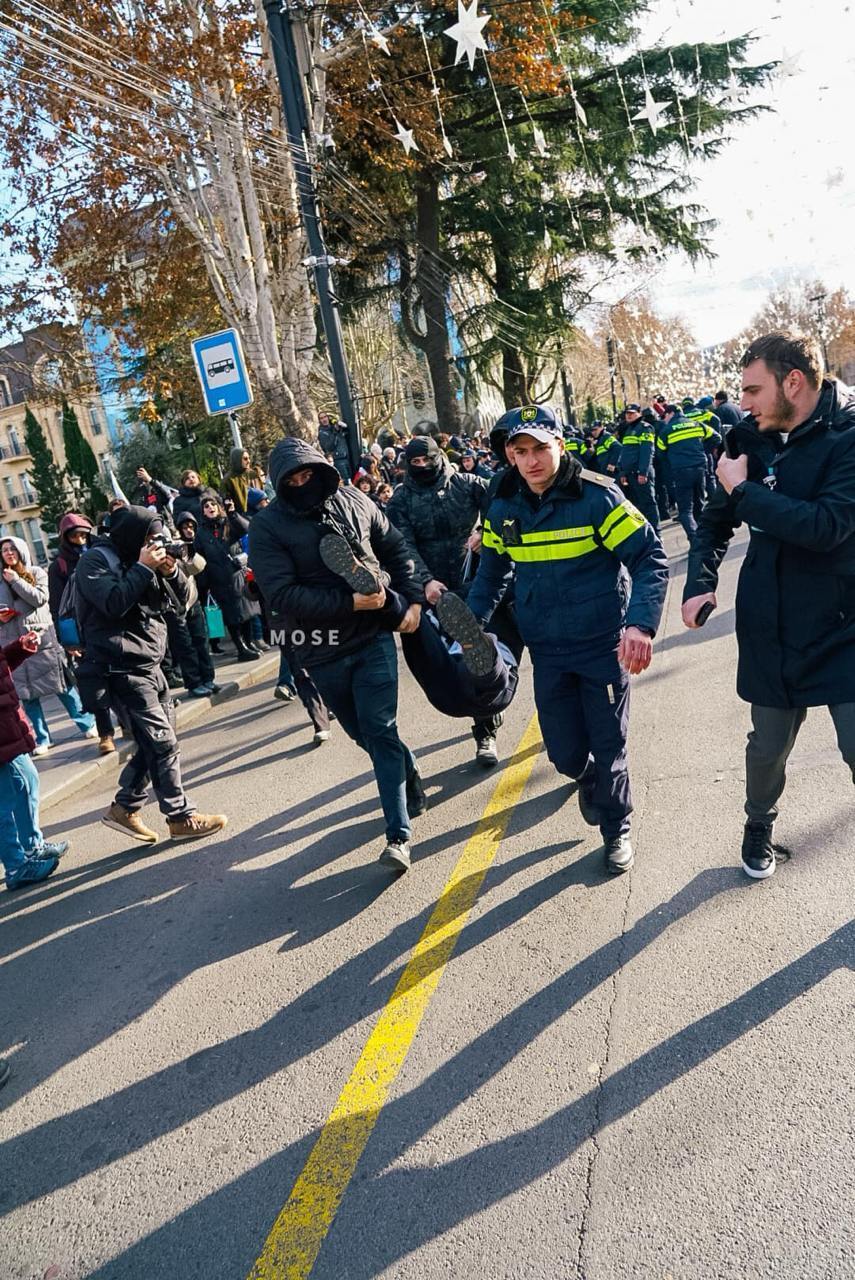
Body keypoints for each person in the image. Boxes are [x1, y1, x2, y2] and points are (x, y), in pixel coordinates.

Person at [682, 331, 855, 879]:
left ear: (794, 382)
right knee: (768, 747)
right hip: (770, 624)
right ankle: (758, 827)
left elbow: (827, 527)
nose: (744, 402)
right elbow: (712, 522)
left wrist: (744, 493)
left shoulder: (849, 436)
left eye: (754, 389)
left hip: (844, 624)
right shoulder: (747, 438)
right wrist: (699, 582)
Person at [467, 405, 669, 873]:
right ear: (510, 456)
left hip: (602, 646)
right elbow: (493, 569)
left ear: (560, 444)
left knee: (609, 743)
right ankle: (588, 778)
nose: (532, 459)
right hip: (548, 650)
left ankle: (616, 828)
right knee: (564, 753)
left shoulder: (598, 497)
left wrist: (639, 626)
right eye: (521, 451)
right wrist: (471, 622)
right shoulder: (504, 507)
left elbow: (648, 557)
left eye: (541, 447)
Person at [249, 438, 424, 872]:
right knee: (362, 733)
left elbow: (396, 548)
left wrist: (413, 599)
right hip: (321, 648)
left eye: (308, 474)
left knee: (380, 727)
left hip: (372, 637)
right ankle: (409, 774)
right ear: (279, 484)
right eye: (291, 479)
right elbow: (281, 594)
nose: (301, 483)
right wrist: (349, 603)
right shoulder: (267, 527)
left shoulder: (354, 499)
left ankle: (398, 836)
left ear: (320, 469)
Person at [75, 505, 227, 844]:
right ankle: (180, 816)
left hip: (151, 664)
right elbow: (113, 603)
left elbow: (185, 602)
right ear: (132, 536)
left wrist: (172, 570)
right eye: (148, 538)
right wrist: (144, 567)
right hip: (119, 669)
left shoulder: (149, 561)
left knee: (157, 743)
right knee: (162, 742)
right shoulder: (96, 561)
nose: (154, 545)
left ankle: (125, 806)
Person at [387, 435, 501, 766]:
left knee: (484, 655)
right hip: (435, 593)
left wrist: (486, 534)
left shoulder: (468, 485)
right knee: (456, 665)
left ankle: (489, 723)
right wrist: (425, 581)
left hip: (478, 584)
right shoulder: (401, 500)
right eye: (415, 463)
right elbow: (401, 546)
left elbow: (504, 506)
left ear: (439, 457)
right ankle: (480, 721)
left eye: (426, 460)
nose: (421, 467)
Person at [0, 537, 97, 755]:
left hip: (40, 641)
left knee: (61, 686)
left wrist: (16, 581)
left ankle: (87, 723)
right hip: (13, 645)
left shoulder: (36, 573)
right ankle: (43, 738)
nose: (8, 553)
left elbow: (40, 599)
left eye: (12, 549)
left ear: (21, 551)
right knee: (27, 695)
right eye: (4, 550)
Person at [1, 630, 70, 890]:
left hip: (6, 722)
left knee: (27, 781)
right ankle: (17, 866)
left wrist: (18, 649)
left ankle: (32, 848)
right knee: (5, 802)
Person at [48, 512, 116, 754]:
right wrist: (68, 639)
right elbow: (57, 606)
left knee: (122, 675)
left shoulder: (102, 552)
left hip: (110, 621)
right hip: (83, 630)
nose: (80, 538)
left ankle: (129, 723)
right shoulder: (59, 566)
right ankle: (105, 732)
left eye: (83, 534)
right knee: (93, 683)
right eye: (74, 535)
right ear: (65, 537)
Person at [196, 495, 259, 662]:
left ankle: (248, 643)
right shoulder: (201, 532)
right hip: (218, 580)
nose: (210, 507)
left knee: (245, 613)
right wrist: (205, 584)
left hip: (236, 575)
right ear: (203, 511)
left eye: (213, 504)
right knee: (231, 616)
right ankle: (240, 648)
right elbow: (200, 557)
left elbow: (246, 529)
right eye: (206, 506)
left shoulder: (228, 523)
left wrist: (232, 514)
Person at [656, 402, 721, 543]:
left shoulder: (666, 431)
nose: (664, 419)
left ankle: (695, 539)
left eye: (664, 416)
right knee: (700, 504)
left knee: (685, 510)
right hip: (700, 468)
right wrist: (703, 450)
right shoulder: (696, 424)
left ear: (670, 413)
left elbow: (660, 453)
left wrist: (673, 462)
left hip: (681, 471)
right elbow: (717, 437)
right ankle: (706, 537)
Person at [172, 512, 220, 697]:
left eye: (191, 526)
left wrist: (188, 550)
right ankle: (194, 682)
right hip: (175, 606)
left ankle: (208, 678)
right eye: (185, 527)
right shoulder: (170, 546)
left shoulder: (188, 546)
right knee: (186, 646)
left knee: (201, 640)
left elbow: (197, 567)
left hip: (193, 600)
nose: (188, 530)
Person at [618, 404, 660, 532]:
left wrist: (643, 472)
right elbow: (625, 454)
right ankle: (644, 533)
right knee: (636, 506)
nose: (629, 415)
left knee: (648, 504)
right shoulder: (628, 430)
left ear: (639, 414)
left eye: (632, 413)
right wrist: (623, 472)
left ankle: (656, 533)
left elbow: (646, 452)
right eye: (627, 413)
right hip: (630, 474)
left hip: (640, 473)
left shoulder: (645, 428)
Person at [318, 411, 352, 483]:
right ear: (319, 421)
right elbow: (329, 447)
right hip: (338, 460)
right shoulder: (322, 433)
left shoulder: (334, 426)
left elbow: (346, 433)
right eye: (321, 418)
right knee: (346, 482)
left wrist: (342, 427)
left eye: (325, 417)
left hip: (347, 457)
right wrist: (334, 432)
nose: (324, 419)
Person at [221, 448, 253, 515]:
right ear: (237, 460)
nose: (249, 461)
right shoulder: (228, 480)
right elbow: (228, 505)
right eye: (245, 459)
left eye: (249, 458)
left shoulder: (249, 474)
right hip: (242, 517)